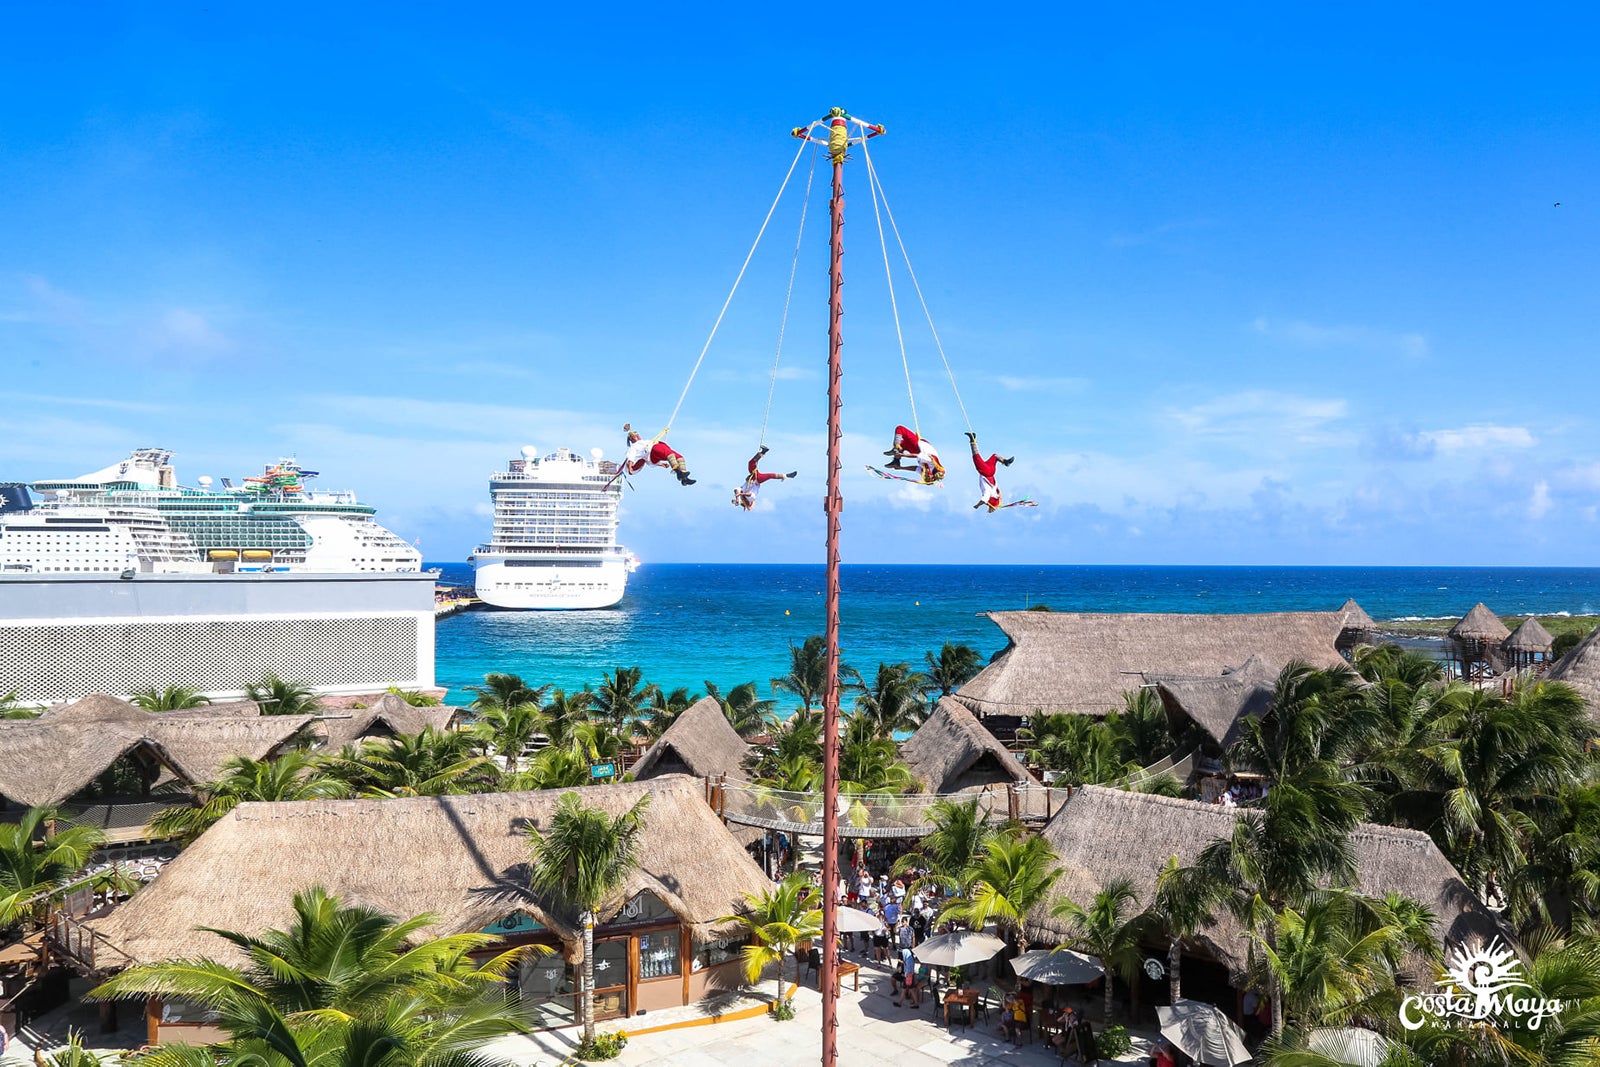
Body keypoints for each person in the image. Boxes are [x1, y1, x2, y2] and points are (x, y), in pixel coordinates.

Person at [622, 424, 695, 486]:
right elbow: (631, 457)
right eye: (635, 436)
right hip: (653, 450)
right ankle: (678, 472)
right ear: (631, 439)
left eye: (637, 434)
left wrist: (661, 464)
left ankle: (684, 478)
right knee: (669, 454)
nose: (637, 436)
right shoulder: (634, 447)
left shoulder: (644, 442)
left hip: (656, 450)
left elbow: (647, 460)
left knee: (680, 457)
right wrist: (630, 467)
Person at [732, 445, 797, 510]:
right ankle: (787, 475)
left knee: (751, 464)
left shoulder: (742, 491)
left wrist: (737, 498)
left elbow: (736, 489)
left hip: (753, 477)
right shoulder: (752, 498)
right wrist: (741, 494)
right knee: (769, 475)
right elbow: (749, 494)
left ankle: (763, 452)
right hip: (757, 479)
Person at [965, 431, 1014, 512]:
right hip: (985, 472)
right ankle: (972, 439)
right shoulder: (988, 493)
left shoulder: (994, 492)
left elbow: (1000, 496)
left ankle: (1005, 462)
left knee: (994, 456)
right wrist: (977, 505)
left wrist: (995, 505)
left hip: (991, 471)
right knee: (976, 457)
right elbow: (984, 500)